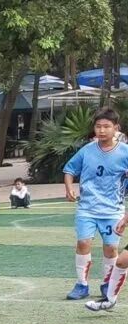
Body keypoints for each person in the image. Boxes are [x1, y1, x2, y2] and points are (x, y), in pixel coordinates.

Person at [64, 107, 128, 300]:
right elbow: (69, 170)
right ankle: (81, 285)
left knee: (110, 248)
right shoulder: (87, 150)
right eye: (98, 126)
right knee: (83, 243)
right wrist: (69, 188)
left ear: (116, 128)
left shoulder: (125, 152)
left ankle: (107, 284)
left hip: (113, 210)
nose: (101, 130)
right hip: (87, 208)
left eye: (106, 126)